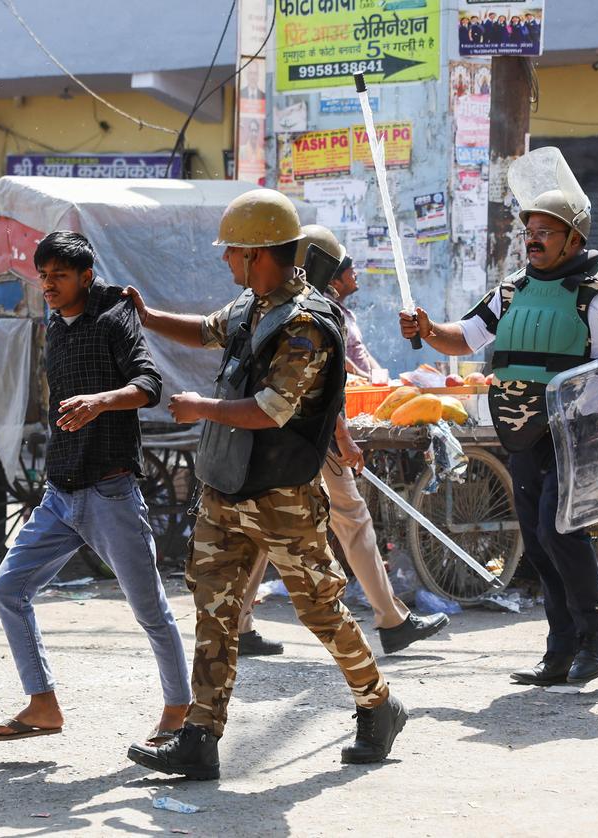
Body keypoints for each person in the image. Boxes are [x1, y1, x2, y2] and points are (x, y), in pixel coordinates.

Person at [124, 189, 405, 781]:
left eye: (231, 253)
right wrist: (146, 317)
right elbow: (205, 330)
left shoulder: (304, 324)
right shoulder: (255, 306)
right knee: (215, 609)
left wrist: (202, 407)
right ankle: (199, 738)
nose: (225, 261)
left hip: (282, 495)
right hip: (228, 486)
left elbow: (274, 408)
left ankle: (379, 705)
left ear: (256, 254)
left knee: (320, 609)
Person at [400, 179, 598, 688]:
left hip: (586, 430)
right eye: (530, 232)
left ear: (574, 239)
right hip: (524, 432)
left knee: (559, 531)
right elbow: (467, 336)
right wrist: (429, 330)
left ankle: (597, 632)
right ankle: (559, 649)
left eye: (546, 232)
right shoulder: (514, 288)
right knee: (539, 544)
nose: (533, 240)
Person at [0, 231, 190, 745]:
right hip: (60, 493)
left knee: (150, 610)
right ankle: (43, 705)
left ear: (85, 277)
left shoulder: (114, 317)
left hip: (110, 492)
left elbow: (149, 386)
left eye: (60, 276)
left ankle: (180, 710)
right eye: (44, 275)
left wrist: (99, 402)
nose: (49, 285)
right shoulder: (54, 326)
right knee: (8, 589)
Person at [237, 225, 448, 659]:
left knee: (268, 526)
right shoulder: (312, 314)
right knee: (349, 520)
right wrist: (345, 441)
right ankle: (390, 621)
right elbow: (323, 390)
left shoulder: (269, 305)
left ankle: (239, 624)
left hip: (276, 436)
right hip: (309, 439)